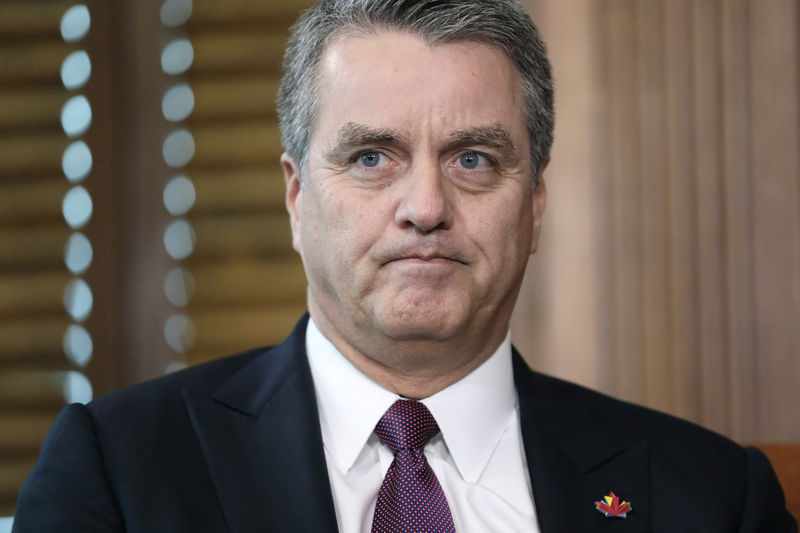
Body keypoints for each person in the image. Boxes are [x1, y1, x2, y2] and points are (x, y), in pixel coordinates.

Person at [13, 0, 797, 531]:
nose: (425, 205)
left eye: (475, 159)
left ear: (535, 204)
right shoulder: (116, 471)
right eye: (371, 155)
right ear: (295, 196)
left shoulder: (716, 497)